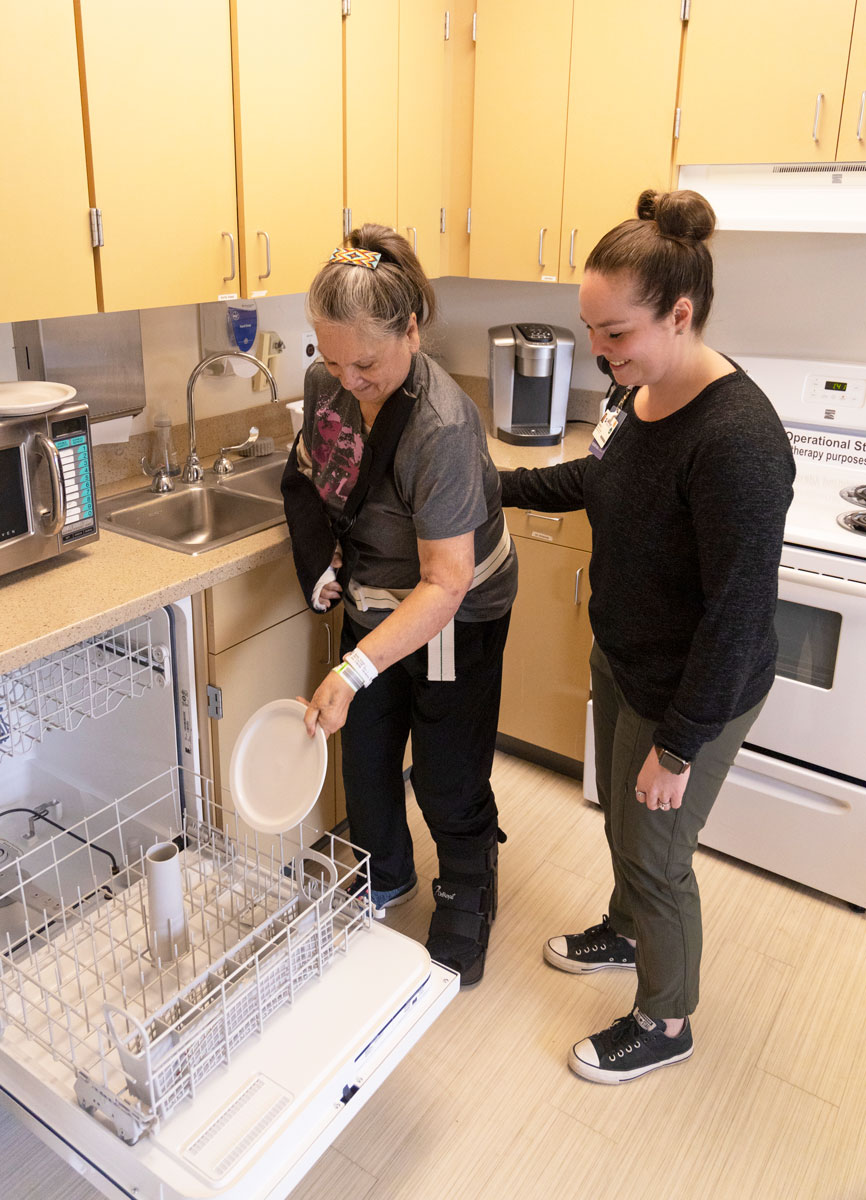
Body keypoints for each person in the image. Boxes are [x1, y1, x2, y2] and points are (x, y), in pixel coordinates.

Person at [499, 189, 795, 1080]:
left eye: (616, 332)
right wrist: (493, 484)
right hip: (627, 658)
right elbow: (596, 481)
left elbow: (736, 620)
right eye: (591, 329)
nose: (600, 350)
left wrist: (678, 747)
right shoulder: (638, 391)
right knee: (623, 825)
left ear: (681, 314)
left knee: (656, 854)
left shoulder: (737, 440)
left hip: (693, 690)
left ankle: (667, 1023)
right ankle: (626, 931)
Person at [281, 224, 517, 988]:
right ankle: (384, 873)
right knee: (367, 751)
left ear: (412, 329)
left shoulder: (442, 426)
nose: (347, 380)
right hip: (374, 595)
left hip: (453, 611)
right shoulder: (327, 384)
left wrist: (353, 669)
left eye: (367, 364)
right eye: (331, 360)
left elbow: (446, 583)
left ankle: (467, 886)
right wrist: (322, 557)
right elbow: (311, 473)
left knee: (446, 770)